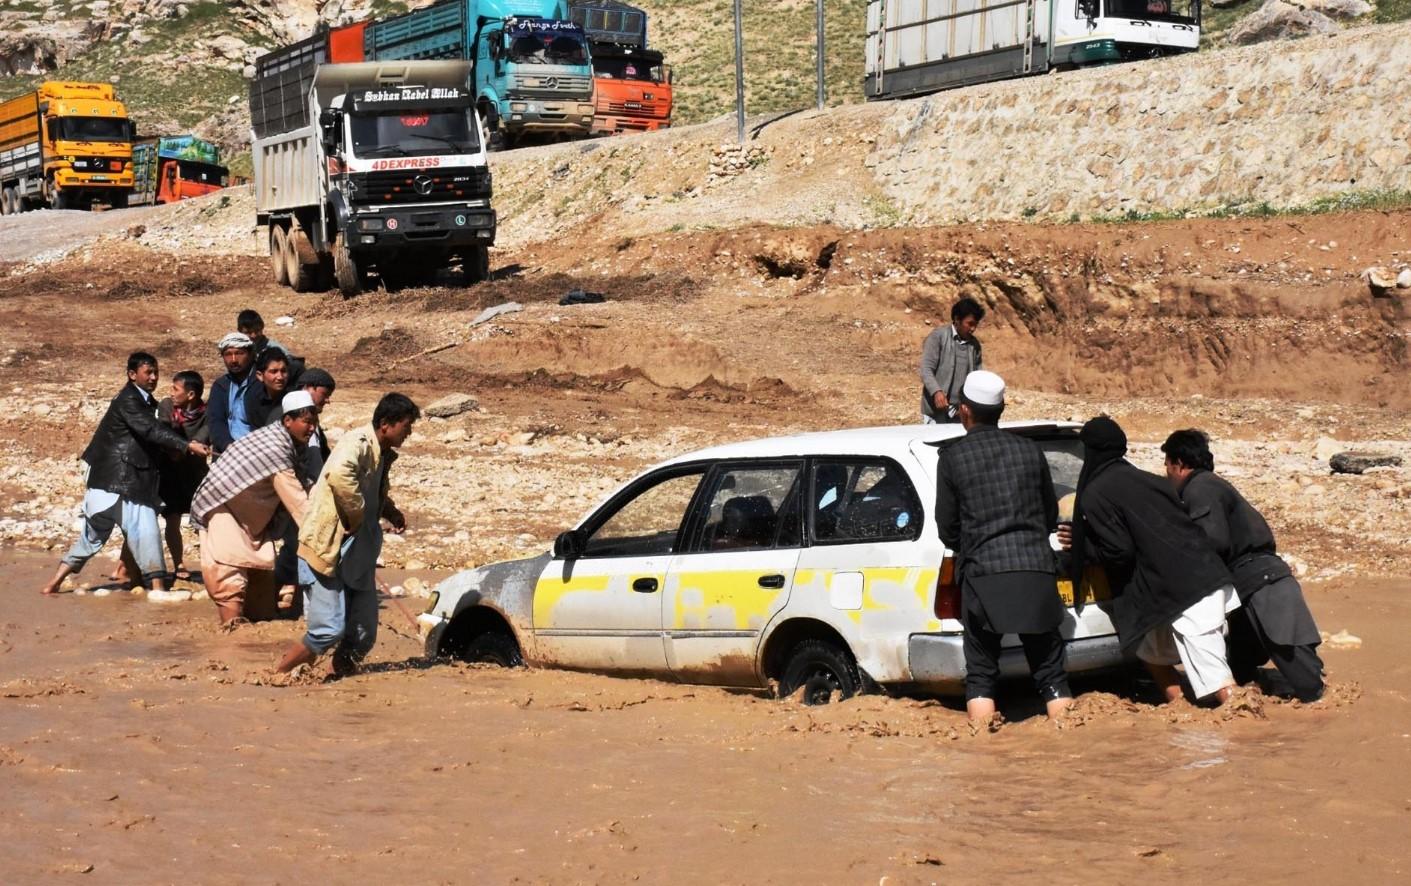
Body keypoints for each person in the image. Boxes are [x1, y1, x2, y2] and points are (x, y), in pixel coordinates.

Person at [1061, 417, 1239, 705]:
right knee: (1150, 652)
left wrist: (1087, 549)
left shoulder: (1096, 492)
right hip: (1199, 578)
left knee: (1218, 681)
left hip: (1186, 592)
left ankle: (1245, 723)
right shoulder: (1150, 480)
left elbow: (1120, 551)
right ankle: (1178, 708)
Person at [936, 370, 1072, 722]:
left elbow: (947, 527)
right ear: (1001, 409)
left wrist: (970, 544)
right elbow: (1049, 512)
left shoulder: (953, 457)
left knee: (981, 676)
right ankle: (1070, 735)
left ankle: (982, 753)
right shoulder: (1029, 450)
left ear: (964, 410)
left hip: (983, 576)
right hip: (1036, 571)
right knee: (1051, 675)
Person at [1161, 429, 1325, 701]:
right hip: (1254, 583)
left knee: (1307, 681)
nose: (1166, 473)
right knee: (1242, 668)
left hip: (1259, 583)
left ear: (1178, 464)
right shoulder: (1214, 485)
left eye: (1167, 465)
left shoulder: (1199, 488)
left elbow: (1213, 540)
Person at [40, 353, 211, 595]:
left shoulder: (144, 401)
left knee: (92, 537)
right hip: (126, 480)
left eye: (155, 372)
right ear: (132, 375)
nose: (153, 377)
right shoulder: (130, 400)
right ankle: (158, 591)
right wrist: (186, 445)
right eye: (147, 373)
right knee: (146, 532)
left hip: (111, 479)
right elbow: (150, 429)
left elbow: (154, 432)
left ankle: (53, 584)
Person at [276, 393, 418, 676]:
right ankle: (275, 675)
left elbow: (371, 489)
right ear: (386, 424)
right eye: (407, 426)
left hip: (358, 553)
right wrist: (357, 515)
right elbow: (341, 475)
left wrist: (390, 511)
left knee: (363, 635)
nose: (409, 433)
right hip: (326, 548)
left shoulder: (382, 452)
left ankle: (333, 679)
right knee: (327, 630)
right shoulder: (358, 442)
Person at [189, 392, 317, 625]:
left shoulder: (287, 442)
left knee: (261, 580)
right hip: (223, 507)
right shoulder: (276, 448)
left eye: (313, 423)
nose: (311, 429)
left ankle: (252, 635)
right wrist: (325, 535)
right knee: (228, 577)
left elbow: (303, 485)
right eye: (307, 422)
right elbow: (298, 502)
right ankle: (231, 640)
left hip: (252, 516)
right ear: (288, 421)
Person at [274, 367, 337, 609]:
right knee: (301, 545)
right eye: (325, 393)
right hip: (298, 494)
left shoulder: (311, 423)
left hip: (310, 493)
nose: (328, 399)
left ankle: (286, 595)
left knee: (295, 546)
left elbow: (322, 456)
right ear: (308, 388)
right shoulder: (292, 420)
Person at [156, 370, 210, 578]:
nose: (171, 393)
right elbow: (164, 433)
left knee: (205, 521)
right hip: (170, 472)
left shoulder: (207, 413)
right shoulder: (166, 406)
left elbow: (204, 437)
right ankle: (179, 564)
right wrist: (186, 447)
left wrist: (186, 447)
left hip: (196, 473)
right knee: (172, 518)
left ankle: (208, 563)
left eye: (175, 389)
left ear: (190, 395)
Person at [919, 297, 984, 424]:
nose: (973, 329)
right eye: (970, 324)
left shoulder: (974, 345)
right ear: (957, 319)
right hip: (935, 412)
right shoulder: (938, 337)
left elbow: (977, 375)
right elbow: (926, 369)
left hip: (961, 413)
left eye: (975, 324)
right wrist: (936, 392)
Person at [207, 332, 256, 455]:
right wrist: (228, 446)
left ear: (250, 355)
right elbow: (215, 421)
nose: (233, 360)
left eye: (239, 353)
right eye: (228, 354)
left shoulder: (261, 383)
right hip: (228, 451)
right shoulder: (220, 386)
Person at [246, 347, 292, 428]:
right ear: (260, 376)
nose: (280, 377)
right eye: (274, 372)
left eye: (283, 371)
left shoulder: (294, 399)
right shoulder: (253, 400)